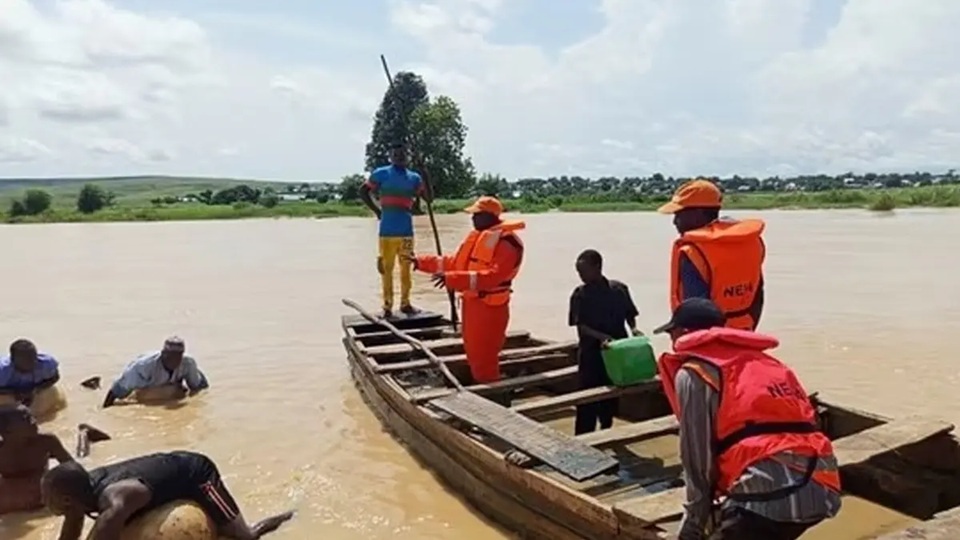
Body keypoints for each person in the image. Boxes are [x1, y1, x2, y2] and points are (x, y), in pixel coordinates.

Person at [653, 298, 840, 540]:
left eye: (672, 333)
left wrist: (693, 527)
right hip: (822, 489)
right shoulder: (769, 364)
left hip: (768, 495)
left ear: (684, 333)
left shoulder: (694, 372)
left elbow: (697, 460)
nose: (671, 341)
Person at [41, 451, 295, 540]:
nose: (44, 502)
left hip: (195, 473)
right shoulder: (78, 496)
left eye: (47, 497)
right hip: (161, 476)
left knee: (244, 536)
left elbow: (107, 530)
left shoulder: (113, 502)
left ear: (64, 500)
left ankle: (291, 514)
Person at [407, 196, 524, 386]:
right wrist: (421, 262)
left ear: (489, 216)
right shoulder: (479, 237)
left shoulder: (506, 243)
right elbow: (454, 263)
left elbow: (491, 277)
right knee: (473, 351)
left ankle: (492, 395)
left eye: (476, 215)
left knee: (484, 354)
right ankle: (483, 386)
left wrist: (452, 279)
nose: (472, 219)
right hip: (472, 304)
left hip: (490, 307)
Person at [657, 179, 766, 330]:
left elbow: (696, 312)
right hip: (744, 331)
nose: (675, 222)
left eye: (679, 214)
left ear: (698, 213)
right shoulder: (751, 242)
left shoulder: (692, 252)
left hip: (708, 340)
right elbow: (757, 295)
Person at [568, 249, 641, 435]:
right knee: (587, 397)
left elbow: (629, 315)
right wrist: (601, 337)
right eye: (578, 272)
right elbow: (580, 326)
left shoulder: (619, 290)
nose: (581, 276)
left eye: (584, 271)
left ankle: (607, 429)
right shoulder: (580, 294)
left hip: (616, 353)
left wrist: (633, 329)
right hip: (591, 353)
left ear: (597, 267)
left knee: (611, 395)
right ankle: (584, 436)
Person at [359, 143, 426, 318]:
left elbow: (429, 198)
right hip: (387, 232)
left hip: (406, 232)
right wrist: (376, 211)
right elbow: (363, 191)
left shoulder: (414, 178)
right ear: (390, 156)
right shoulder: (381, 173)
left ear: (407, 157)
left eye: (402, 155)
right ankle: (387, 306)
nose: (399, 158)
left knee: (406, 269)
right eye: (395, 155)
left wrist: (425, 176)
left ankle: (405, 303)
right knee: (385, 269)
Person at [0, 404, 74, 514]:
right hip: (14, 492)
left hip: (39, 487)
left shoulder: (46, 441)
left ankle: (85, 434)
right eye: (26, 419)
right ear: (6, 432)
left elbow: (72, 468)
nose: (34, 421)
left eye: (32, 417)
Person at [102, 337, 209, 408]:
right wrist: (105, 409)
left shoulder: (188, 363)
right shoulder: (143, 368)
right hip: (147, 387)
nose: (174, 360)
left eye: (178, 356)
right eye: (170, 356)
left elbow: (199, 387)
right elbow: (116, 391)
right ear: (163, 353)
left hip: (172, 386)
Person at [0, 339, 60, 406]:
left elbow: (55, 377)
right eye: (25, 361)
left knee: (52, 392)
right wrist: (13, 392)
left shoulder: (45, 364)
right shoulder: (2, 371)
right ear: (12, 360)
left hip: (35, 389)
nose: (32, 362)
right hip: (8, 391)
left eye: (34, 358)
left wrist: (36, 389)